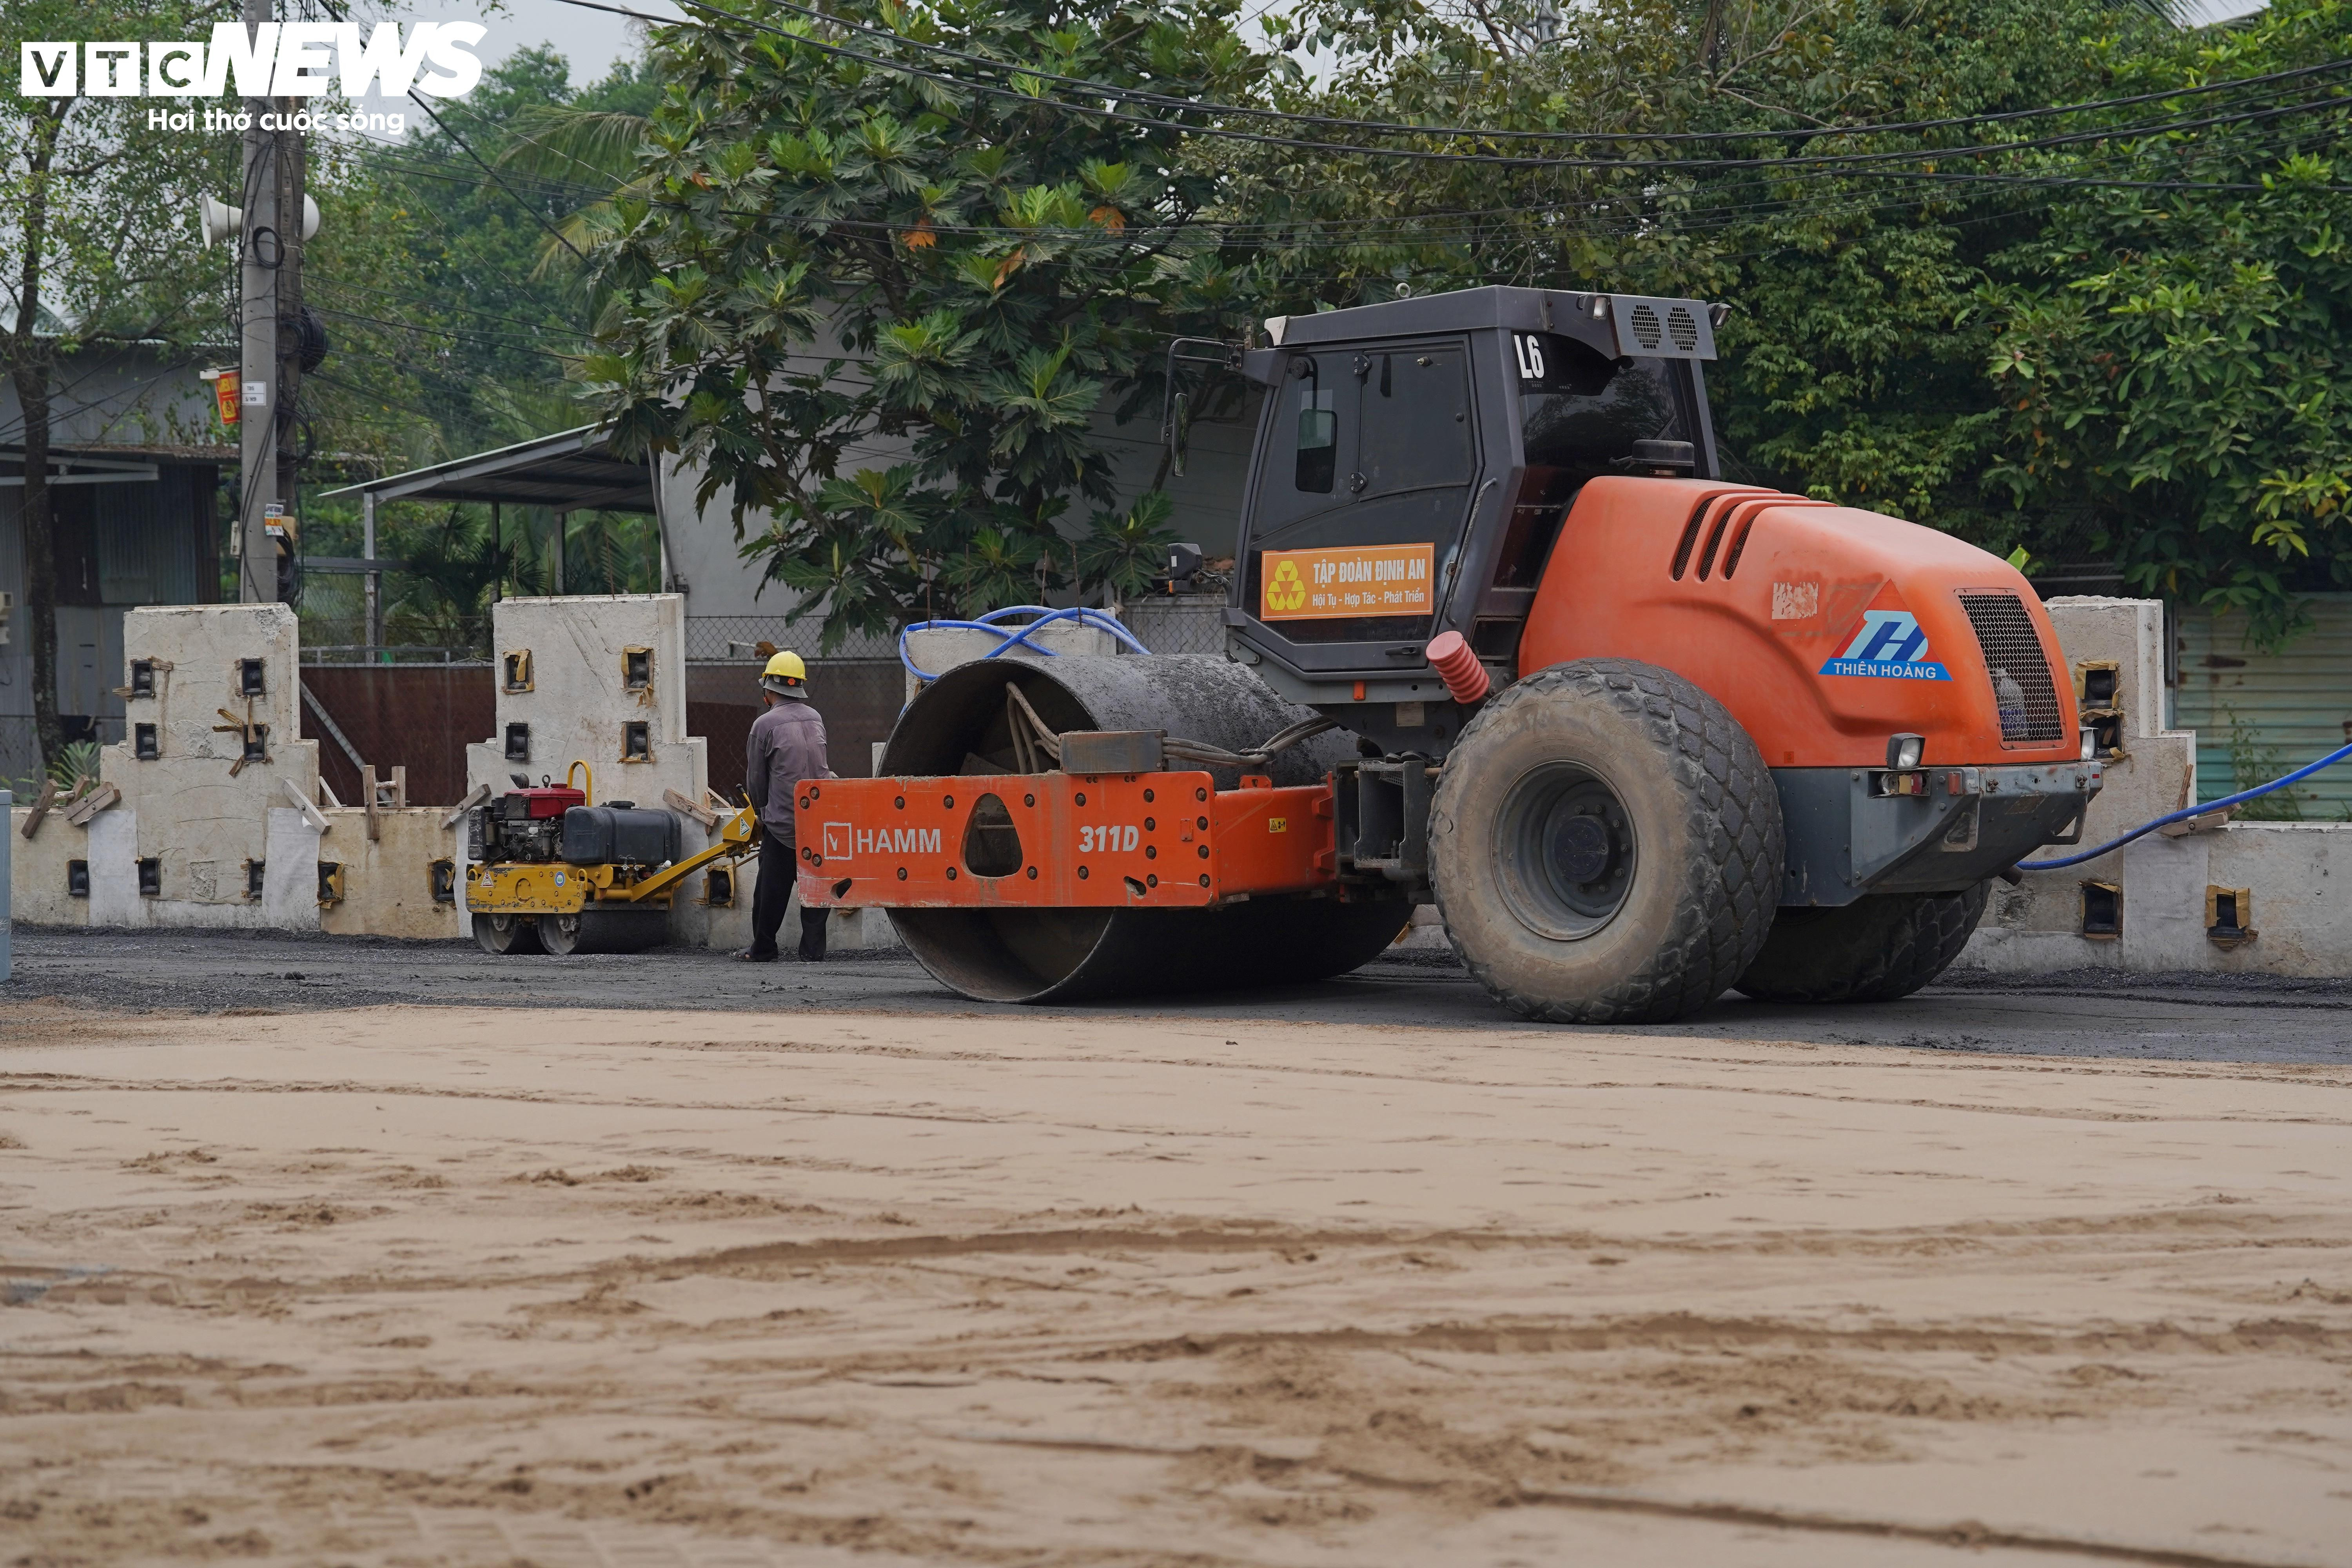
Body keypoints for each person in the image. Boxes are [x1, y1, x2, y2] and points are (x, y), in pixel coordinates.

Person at [739, 650, 831, 962]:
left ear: (768, 689)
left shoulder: (764, 725)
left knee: (769, 893)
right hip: (816, 821)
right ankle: (813, 952)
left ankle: (764, 949)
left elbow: (756, 781)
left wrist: (761, 814)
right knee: (816, 889)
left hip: (781, 825)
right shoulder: (816, 718)